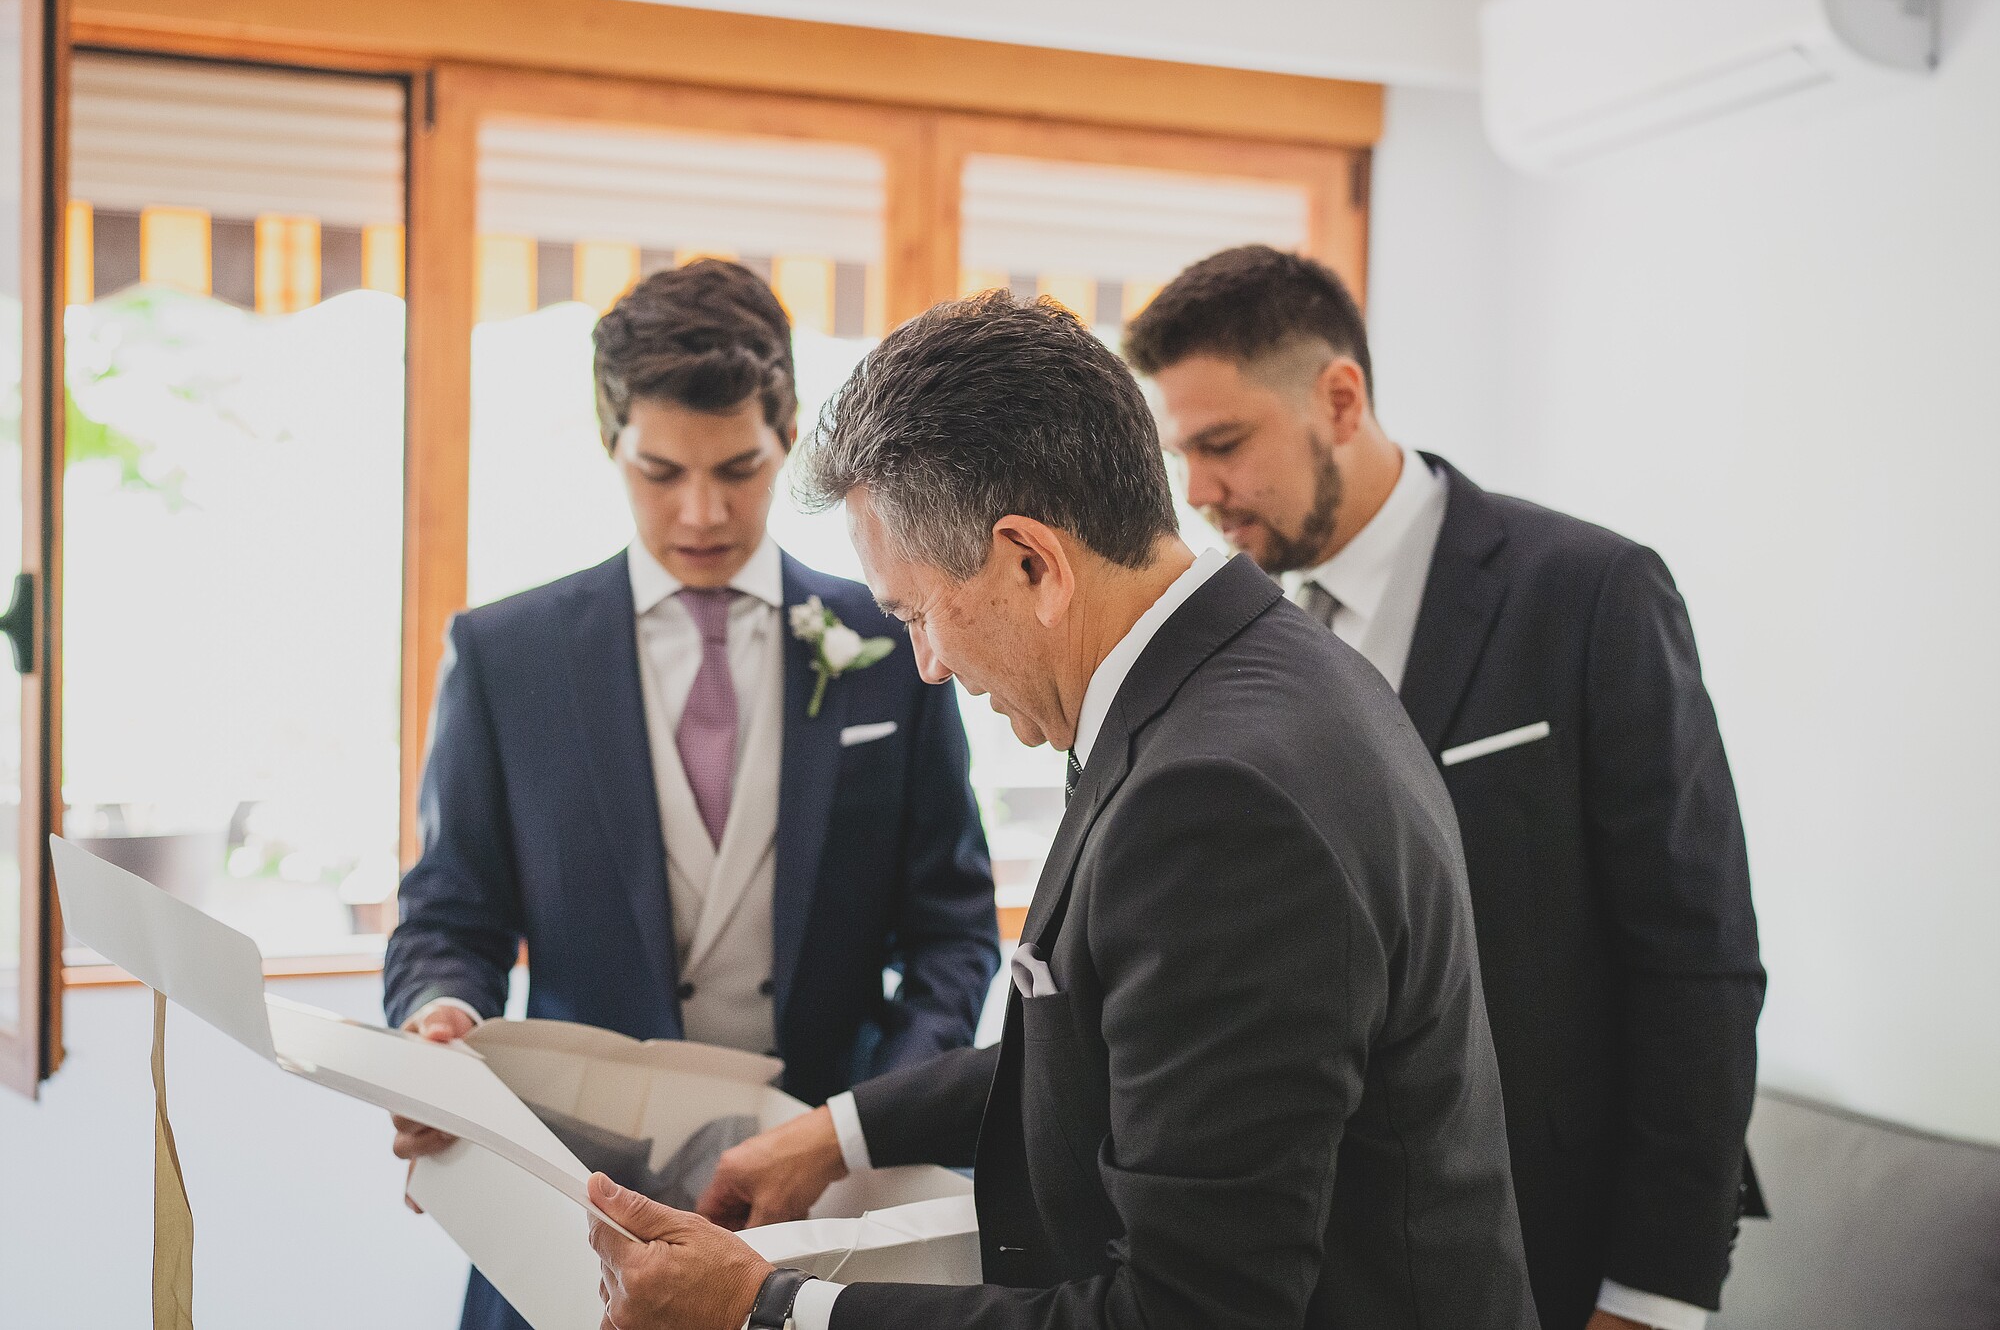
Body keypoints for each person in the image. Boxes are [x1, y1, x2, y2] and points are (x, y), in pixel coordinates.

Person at [583, 290, 1538, 1330]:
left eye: (916, 613)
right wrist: (839, 1132)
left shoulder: (1214, 802)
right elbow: (1131, 1042)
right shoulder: (1257, 670)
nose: (929, 664)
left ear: (1031, 562)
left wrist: (769, 1309)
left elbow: (1185, 1314)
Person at [1121, 245, 1766, 1330]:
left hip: (1548, 1237)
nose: (1199, 493)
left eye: (1222, 445)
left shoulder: (1587, 592)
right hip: (1316, 1262)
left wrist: (1654, 1290)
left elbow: (1693, 957)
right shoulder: (1231, 635)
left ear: (1337, 398)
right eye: (1181, 453)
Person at [380, 261, 1000, 1330]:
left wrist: (864, 1129)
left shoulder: (889, 638)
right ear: (609, 437)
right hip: (569, 1209)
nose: (703, 512)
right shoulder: (505, 656)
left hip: (813, 1217)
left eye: (740, 468)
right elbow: (452, 914)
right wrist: (440, 1017)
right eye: (660, 471)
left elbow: (950, 931)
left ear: (789, 430)